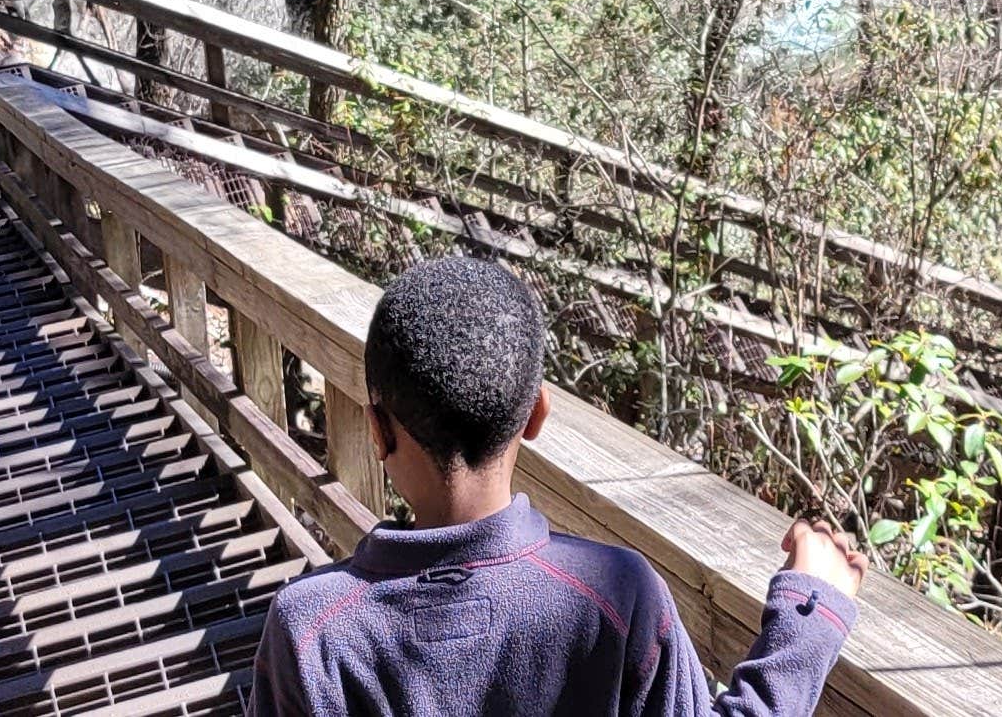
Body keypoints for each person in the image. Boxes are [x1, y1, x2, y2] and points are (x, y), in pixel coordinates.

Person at [244, 254, 866, 717]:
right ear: (538, 415)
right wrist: (808, 613)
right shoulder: (618, 600)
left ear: (378, 430)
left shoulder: (309, 631)